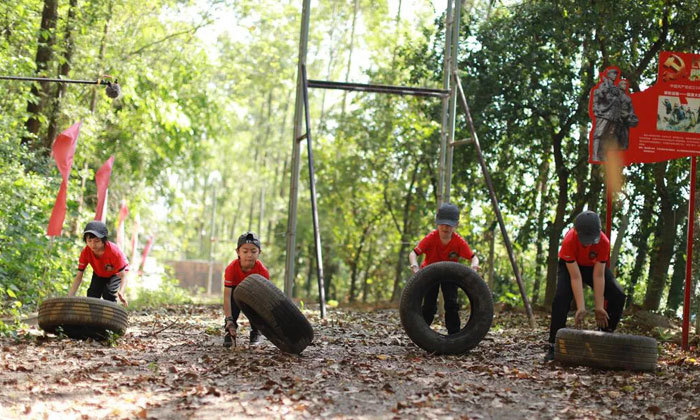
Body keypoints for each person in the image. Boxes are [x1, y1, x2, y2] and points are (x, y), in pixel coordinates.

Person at [544, 210, 626, 361]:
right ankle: (554, 345)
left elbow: (599, 275)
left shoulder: (604, 242)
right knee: (561, 299)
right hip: (571, 267)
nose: (587, 243)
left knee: (618, 295)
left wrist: (599, 306)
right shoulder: (569, 240)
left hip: (593, 268)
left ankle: (605, 335)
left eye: (591, 239)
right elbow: (575, 277)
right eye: (584, 239)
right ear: (576, 231)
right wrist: (581, 307)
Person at [408, 203, 479, 335]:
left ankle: (455, 335)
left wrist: (473, 268)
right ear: (437, 223)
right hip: (430, 273)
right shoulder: (431, 238)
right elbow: (413, 253)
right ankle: (421, 333)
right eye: (442, 223)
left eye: (449, 224)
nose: (445, 227)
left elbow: (474, 257)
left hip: (450, 275)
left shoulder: (458, 242)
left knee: (451, 304)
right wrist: (415, 267)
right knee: (429, 306)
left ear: (456, 224)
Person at [223, 231, 270, 348]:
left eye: (253, 251)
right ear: (238, 252)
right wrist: (229, 320)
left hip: (253, 294)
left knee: (257, 306)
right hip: (235, 292)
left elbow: (264, 299)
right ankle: (229, 331)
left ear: (259, 252)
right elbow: (227, 296)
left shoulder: (263, 271)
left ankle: (256, 332)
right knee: (233, 303)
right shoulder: (231, 269)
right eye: (245, 251)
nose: (249, 255)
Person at [68, 221, 129, 306]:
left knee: (108, 294)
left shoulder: (114, 252)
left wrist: (121, 292)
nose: (93, 244)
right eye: (89, 240)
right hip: (99, 272)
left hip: (116, 273)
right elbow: (79, 275)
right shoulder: (85, 252)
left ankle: (110, 316)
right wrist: (70, 296)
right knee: (92, 295)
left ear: (104, 240)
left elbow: (123, 275)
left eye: (97, 241)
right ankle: (93, 317)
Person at [592, 68, 622, 161]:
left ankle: (602, 154)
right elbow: (599, 96)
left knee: (609, 135)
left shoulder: (615, 87)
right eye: (613, 74)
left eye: (616, 74)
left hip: (614, 114)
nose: (615, 75)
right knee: (599, 133)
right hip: (604, 112)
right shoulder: (604, 85)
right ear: (609, 75)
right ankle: (595, 155)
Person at [615, 79, 638, 150]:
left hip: (626, 118)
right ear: (619, 86)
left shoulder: (628, 98)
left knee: (625, 137)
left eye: (625, 84)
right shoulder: (616, 96)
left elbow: (631, 109)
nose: (625, 86)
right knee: (616, 135)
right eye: (623, 84)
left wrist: (630, 115)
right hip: (617, 117)